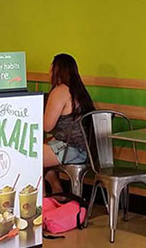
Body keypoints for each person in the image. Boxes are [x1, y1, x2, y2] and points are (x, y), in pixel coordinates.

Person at [43, 54, 95, 195]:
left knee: (31, 156)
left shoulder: (60, 91)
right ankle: (57, 192)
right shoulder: (80, 91)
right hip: (88, 151)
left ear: (56, 70)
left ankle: (42, 200)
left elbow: (47, 126)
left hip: (71, 149)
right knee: (43, 147)